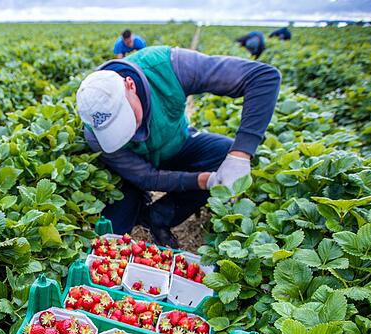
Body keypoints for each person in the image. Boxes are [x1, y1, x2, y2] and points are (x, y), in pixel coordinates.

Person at [75, 46, 281, 247]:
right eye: (115, 131)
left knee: (224, 153)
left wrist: (240, 154)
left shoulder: (167, 66)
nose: (127, 133)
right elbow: (145, 176)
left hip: (177, 144)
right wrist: (202, 180)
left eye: (127, 119)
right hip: (132, 172)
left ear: (131, 85)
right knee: (113, 232)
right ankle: (137, 203)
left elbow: (263, 77)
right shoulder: (95, 134)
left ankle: (157, 217)